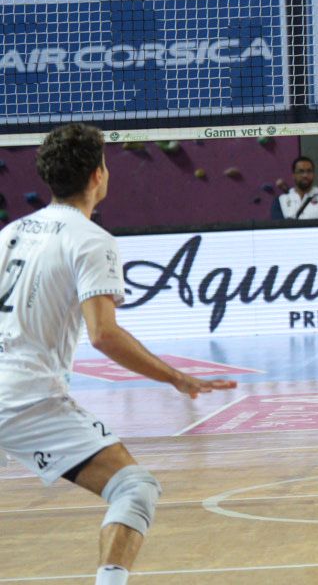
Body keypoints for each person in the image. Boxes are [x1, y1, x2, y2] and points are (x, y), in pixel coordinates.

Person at [0, 123, 237, 585]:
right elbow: (103, 335)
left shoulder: (10, 232)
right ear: (97, 176)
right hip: (25, 396)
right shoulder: (91, 240)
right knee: (135, 487)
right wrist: (176, 377)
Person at [271, 156, 318, 221]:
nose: (305, 175)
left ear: (313, 174)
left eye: (309, 171)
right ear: (293, 175)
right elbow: (278, 228)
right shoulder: (280, 201)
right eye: (301, 171)